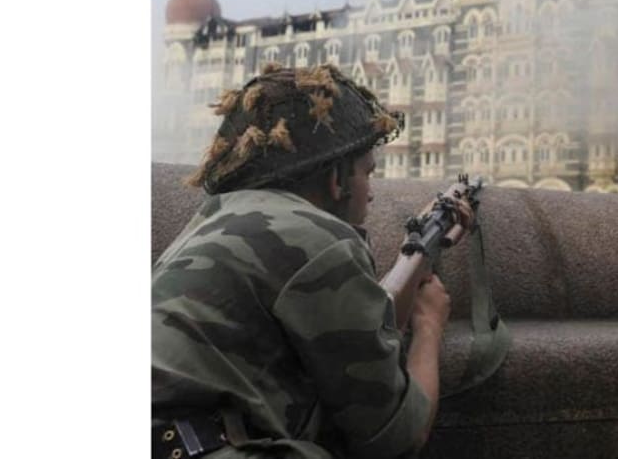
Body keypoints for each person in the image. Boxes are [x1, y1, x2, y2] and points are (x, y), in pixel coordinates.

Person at [152, 63, 460, 459]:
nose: (371, 194)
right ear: (337, 179)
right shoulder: (322, 239)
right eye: (368, 172)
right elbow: (396, 436)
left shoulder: (209, 219)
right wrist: (430, 324)